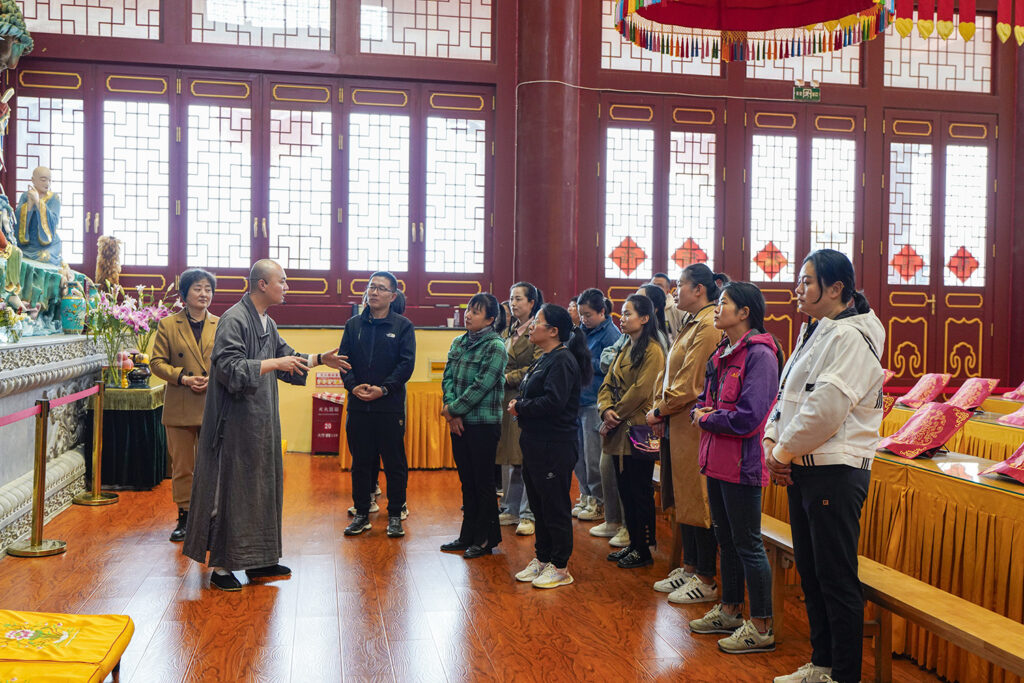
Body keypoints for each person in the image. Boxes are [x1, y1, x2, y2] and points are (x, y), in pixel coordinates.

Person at [183, 259, 349, 591]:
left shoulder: (266, 321)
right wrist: (273, 362)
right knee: (231, 491)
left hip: (261, 423)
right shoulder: (234, 319)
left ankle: (259, 559)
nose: (286, 287)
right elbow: (229, 368)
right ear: (263, 285)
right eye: (282, 282)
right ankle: (221, 567)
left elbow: (289, 357)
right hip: (233, 425)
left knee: (263, 488)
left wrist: (319, 360)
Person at [767, 250, 885, 683]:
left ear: (835, 289)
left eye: (807, 281)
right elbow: (788, 396)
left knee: (836, 578)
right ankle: (822, 664)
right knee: (812, 573)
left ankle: (844, 675)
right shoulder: (816, 330)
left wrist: (781, 453)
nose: (798, 288)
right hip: (805, 467)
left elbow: (826, 409)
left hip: (835, 469)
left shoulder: (852, 337)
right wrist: (770, 437)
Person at [688, 282, 783, 654]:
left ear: (744, 313)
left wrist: (708, 418)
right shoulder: (723, 351)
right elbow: (706, 399)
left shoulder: (760, 356)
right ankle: (729, 610)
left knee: (748, 543)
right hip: (716, 460)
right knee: (725, 540)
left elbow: (749, 417)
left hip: (742, 464)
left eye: (724, 303)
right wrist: (706, 412)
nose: (717, 307)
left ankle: (760, 625)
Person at [647, 264, 728, 601]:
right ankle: (691, 567)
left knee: (697, 497)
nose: (674, 291)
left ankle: (706, 577)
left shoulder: (708, 325)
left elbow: (691, 382)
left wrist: (660, 408)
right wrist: (660, 405)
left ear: (699, 290)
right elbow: (670, 372)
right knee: (684, 496)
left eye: (679, 285)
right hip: (676, 422)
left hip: (691, 423)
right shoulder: (691, 322)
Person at [509, 304, 592, 588]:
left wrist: (521, 407)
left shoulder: (562, 360)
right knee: (539, 504)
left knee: (554, 506)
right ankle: (543, 558)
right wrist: (522, 406)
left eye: (538, 322)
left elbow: (553, 403)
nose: (532, 326)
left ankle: (560, 565)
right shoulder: (545, 358)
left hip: (554, 444)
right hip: (535, 441)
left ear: (553, 331)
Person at [340, 271, 416, 539]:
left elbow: (406, 364)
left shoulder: (403, 326)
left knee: (394, 462)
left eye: (381, 289)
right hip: (359, 405)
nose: (374, 292)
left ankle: (395, 514)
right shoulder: (353, 325)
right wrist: (353, 387)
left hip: (389, 406)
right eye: (371, 287)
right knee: (361, 462)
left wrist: (383, 389)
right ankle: (362, 513)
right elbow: (343, 361)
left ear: (392, 296)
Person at [151, 268, 219, 543]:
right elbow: (156, 363)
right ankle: (185, 517)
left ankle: (211, 517)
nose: (204, 294)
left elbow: (230, 358)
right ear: (185, 294)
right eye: (198, 288)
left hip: (213, 402)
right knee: (183, 467)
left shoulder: (221, 323)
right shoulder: (168, 324)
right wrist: (183, 378)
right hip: (180, 402)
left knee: (212, 465)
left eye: (208, 289)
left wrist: (211, 377)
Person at [598, 294, 665, 569]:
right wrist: (605, 410)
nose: (622, 319)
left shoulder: (653, 350)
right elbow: (606, 382)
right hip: (617, 427)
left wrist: (615, 415)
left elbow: (641, 390)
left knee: (640, 491)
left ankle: (644, 548)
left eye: (628, 314)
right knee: (624, 488)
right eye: (622, 314)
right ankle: (633, 544)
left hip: (636, 428)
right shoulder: (626, 345)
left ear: (645, 318)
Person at [439, 293, 508, 558]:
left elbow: (483, 384)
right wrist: (451, 410)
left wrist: (454, 409)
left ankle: (486, 538)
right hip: (459, 423)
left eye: (476, 312)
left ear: (490, 319)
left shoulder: (496, 346)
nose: (468, 315)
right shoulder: (459, 341)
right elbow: (448, 377)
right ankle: (467, 534)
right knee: (467, 481)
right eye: (469, 309)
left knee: (483, 482)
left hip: (483, 424)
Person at [496, 281, 543, 536]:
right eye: (511, 298)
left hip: (525, 398)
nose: (513, 303)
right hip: (506, 400)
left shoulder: (536, 330)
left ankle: (528, 513)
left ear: (531, 303)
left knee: (525, 459)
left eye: (518, 299)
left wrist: (507, 377)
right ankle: (511, 508)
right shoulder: (509, 330)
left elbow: (537, 367)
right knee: (510, 457)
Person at [573, 288, 621, 528]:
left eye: (589, 314)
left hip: (595, 401)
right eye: (581, 314)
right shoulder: (580, 331)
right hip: (577, 400)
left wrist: (583, 361)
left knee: (594, 456)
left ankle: (599, 500)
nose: (584, 319)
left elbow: (611, 369)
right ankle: (585, 494)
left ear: (602, 312)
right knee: (578, 454)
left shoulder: (611, 334)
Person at [15, 166, 62, 265]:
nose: (47, 183)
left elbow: (54, 222)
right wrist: (29, 206)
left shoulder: (54, 198)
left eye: (50, 180)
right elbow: (17, 219)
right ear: (33, 180)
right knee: (16, 256)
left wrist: (38, 202)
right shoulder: (25, 196)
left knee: (44, 257)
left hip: (48, 245)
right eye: (43, 180)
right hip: (27, 245)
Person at [652, 272, 684, 341]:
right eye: (652, 285)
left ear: (667, 291)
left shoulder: (677, 309)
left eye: (659, 286)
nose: (654, 289)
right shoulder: (642, 308)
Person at [638, 283, 670, 350]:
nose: (632, 303)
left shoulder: (655, 342)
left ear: (654, 309)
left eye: (639, 300)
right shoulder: (633, 332)